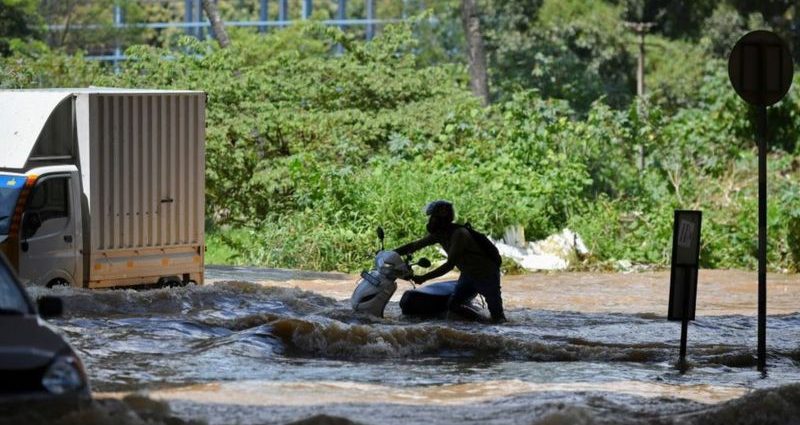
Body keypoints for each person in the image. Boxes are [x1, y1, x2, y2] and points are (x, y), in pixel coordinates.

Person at [394, 200, 507, 323]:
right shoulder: (440, 234)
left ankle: (491, 327)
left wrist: (424, 277)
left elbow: (449, 265)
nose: (430, 221)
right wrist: (392, 253)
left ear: (442, 218)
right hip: (467, 275)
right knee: (453, 306)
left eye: (433, 217)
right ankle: (483, 323)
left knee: (499, 319)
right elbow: (414, 246)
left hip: (486, 275)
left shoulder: (459, 234)